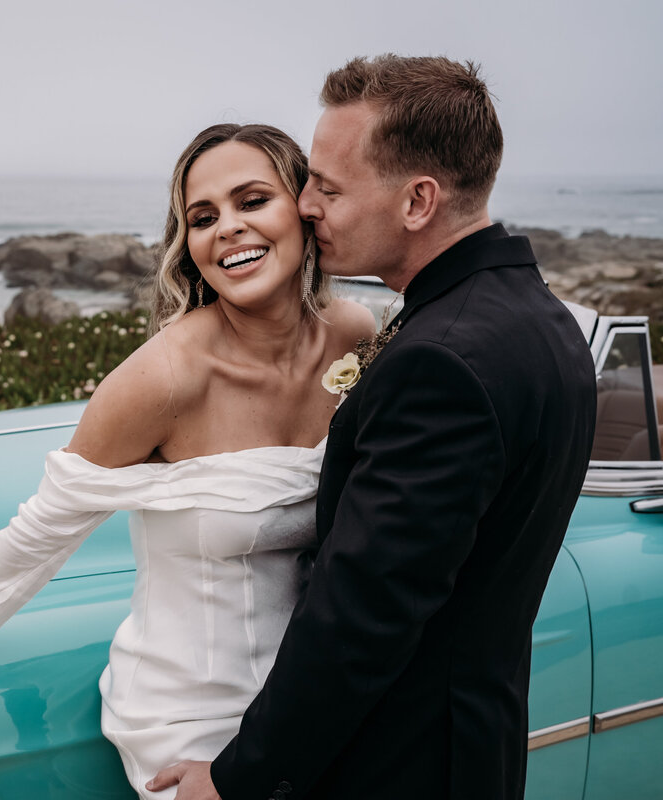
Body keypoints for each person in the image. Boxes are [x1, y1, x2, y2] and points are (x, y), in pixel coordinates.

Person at [0, 123, 375, 799]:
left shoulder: (355, 337)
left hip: (314, 704)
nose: (228, 229)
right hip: (191, 724)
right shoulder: (163, 378)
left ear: (303, 209)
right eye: (203, 217)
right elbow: (42, 532)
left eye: (252, 201)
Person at [150, 56, 597, 800]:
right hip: (476, 749)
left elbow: (364, 613)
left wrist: (239, 779)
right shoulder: (542, 322)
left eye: (327, 185)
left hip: (395, 769)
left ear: (418, 200)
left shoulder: (440, 363)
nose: (306, 205)